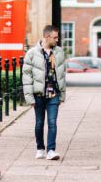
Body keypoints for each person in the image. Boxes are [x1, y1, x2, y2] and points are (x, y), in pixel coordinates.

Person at [22, 25, 67, 160]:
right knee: (39, 123)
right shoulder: (32, 53)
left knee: (52, 123)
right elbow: (26, 76)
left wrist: (62, 95)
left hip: (54, 94)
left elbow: (62, 75)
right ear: (47, 37)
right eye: (55, 37)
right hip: (39, 95)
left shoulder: (59, 52)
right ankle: (40, 148)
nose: (57, 40)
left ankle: (51, 150)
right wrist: (29, 98)